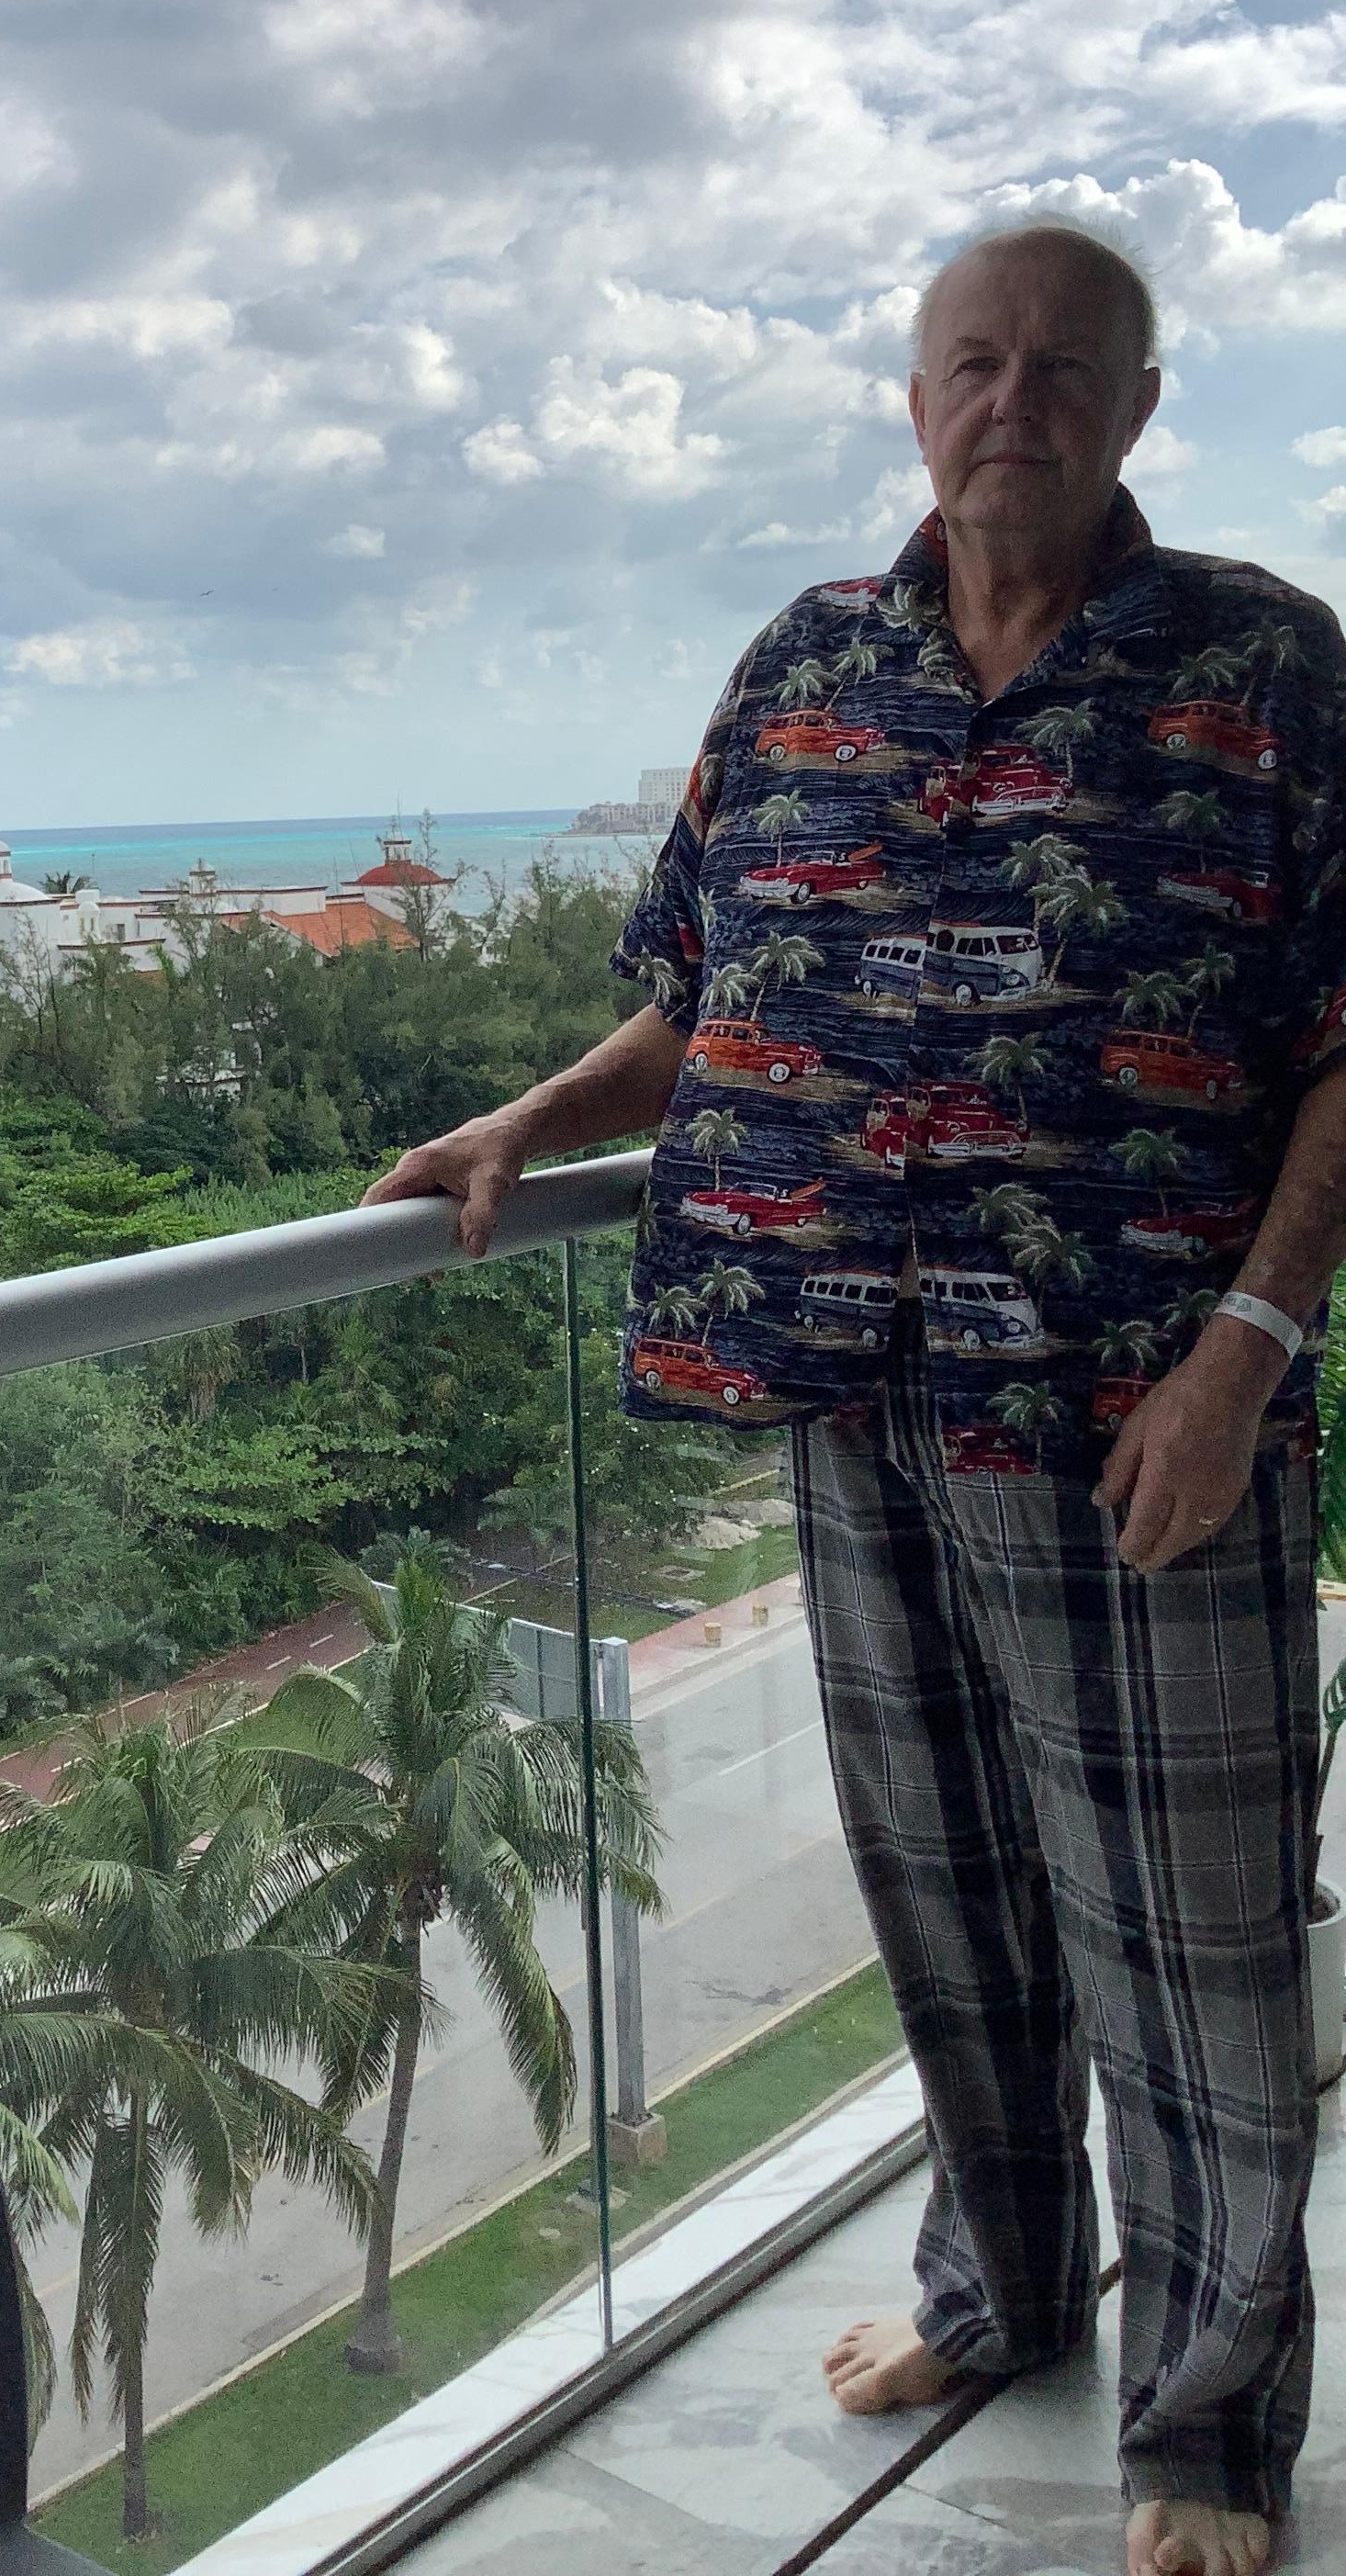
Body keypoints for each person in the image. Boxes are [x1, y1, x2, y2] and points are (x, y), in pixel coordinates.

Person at [365, 221, 1346, 2576]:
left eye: (1065, 366)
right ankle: (1003, 2294)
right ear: (917, 396)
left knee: (1194, 1936)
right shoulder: (810, 666)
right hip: (848, 1387)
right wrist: (528, 1124)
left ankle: (1206, 2431)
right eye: (974, 361)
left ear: (1137, 403)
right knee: (952, 1898)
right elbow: (710, 995)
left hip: (1141, 1422)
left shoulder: (1268, 668)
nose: (1015, 398)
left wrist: (1253, 1347)